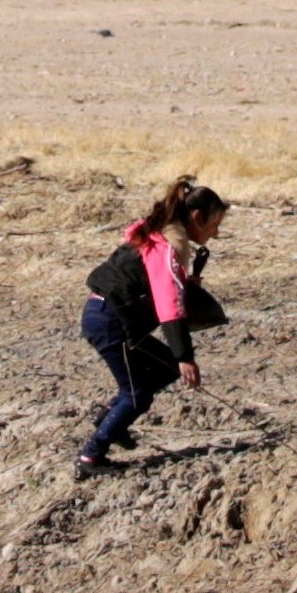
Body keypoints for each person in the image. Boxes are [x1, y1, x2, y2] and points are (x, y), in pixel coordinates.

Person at [76, 178, 229, 477]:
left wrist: (186, 284)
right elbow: (168, 304)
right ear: (197, 217)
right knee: (136, 394)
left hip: (106, 315)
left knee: (165, 369)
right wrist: (185, 355)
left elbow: (151, 284)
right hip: (111, 321)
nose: (217, 232)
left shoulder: (159, 235)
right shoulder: (169, 247)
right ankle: (90, 458)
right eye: (215, 224)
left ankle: (112, 418)